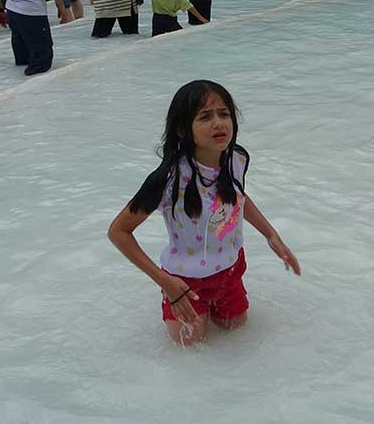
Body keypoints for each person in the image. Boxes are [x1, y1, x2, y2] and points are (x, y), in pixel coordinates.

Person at [106, 80, 301, 346]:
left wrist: (270, 234)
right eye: (205, 117)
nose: (218, 123)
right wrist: (165, 282)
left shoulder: (236, 160)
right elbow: (119, 231)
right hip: (184, 283)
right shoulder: (168, 180)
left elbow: (237, 198)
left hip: (231, 270)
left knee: (237, 336)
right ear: (182, 129)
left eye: (224, 114)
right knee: (190, 351)